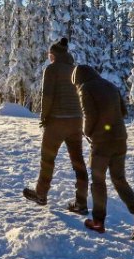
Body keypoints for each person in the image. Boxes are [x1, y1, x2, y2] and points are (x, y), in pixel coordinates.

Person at [71, 64, 134, 236]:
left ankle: (98, 222)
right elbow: (122, 111)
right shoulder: (109, 85)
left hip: (102, 143)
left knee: (98, 181)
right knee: (120, 180)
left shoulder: (85, 88)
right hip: (120, 139)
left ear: (78, 80)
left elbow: (89, 115)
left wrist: (87, 131)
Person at [22, 38, 88, 213]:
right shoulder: (76, 70)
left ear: (55, 55)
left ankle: (41, 194)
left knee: (47, 159)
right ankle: (81, 202)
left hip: (57, 122)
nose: (49, 58)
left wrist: (44, 117)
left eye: (50, 55)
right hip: (76, 121)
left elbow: (47, 96)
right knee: (78, 162)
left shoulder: (51, 70)